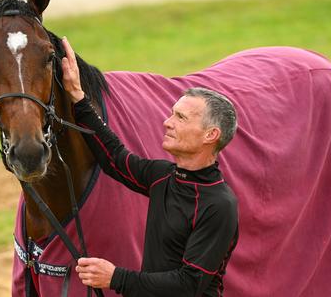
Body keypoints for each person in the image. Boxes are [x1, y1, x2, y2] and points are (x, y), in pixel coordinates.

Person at [61, 37, 239, 297]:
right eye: (172, 113)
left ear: (210, 135)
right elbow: (116, 159)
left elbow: (189, 284)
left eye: (180, 117)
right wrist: (78, 96)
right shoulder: (163, 177)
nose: (167, 122)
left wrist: (116, 278)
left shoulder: (219, 205)